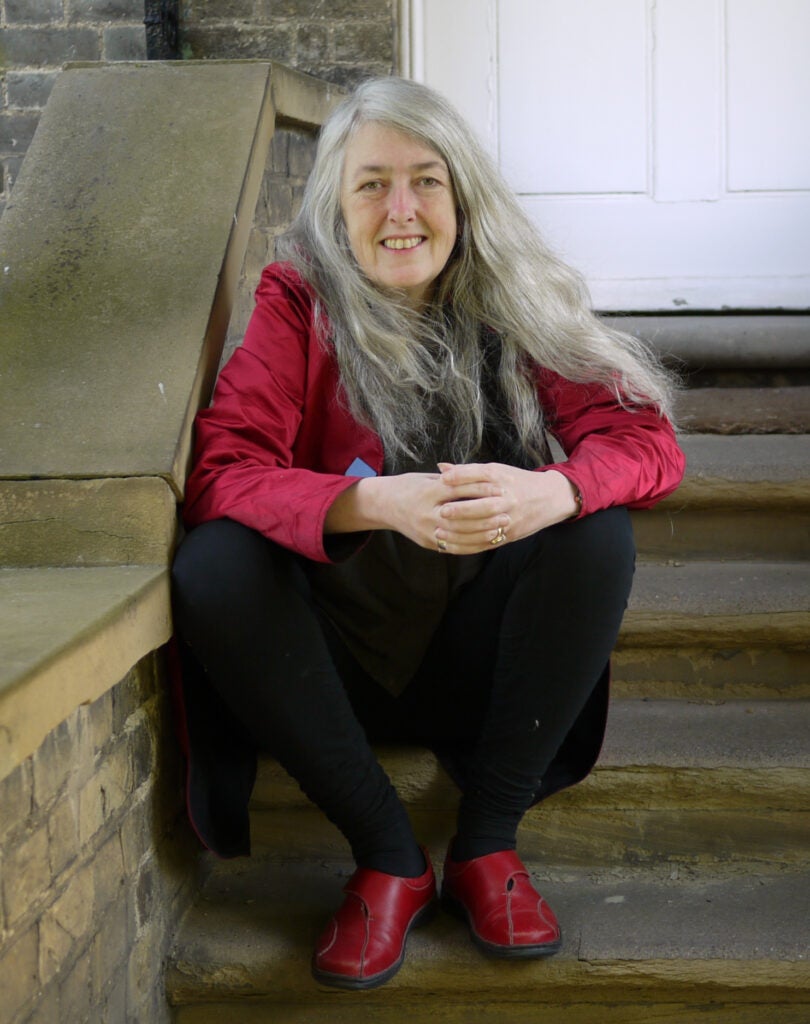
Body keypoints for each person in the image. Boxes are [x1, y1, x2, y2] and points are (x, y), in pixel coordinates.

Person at [171, 75, 685, 991]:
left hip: (480, 674)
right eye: (372, 183)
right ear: (337, 201)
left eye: (425, 180)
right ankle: (388, 856)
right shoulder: (298, 299)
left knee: (596, 535)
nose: (400, 210)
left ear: (463, 195)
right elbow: (223, 473)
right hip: (332, 672)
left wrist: (551, 493)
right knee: (214, 563)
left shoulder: (513, 297)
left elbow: (643, 443)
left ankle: (488, 844)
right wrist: (375, 503)